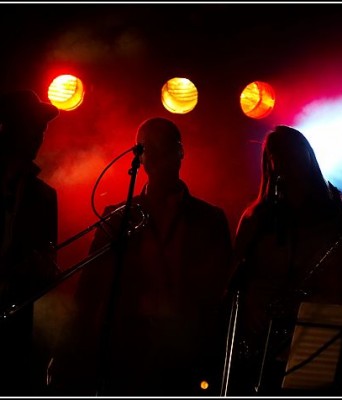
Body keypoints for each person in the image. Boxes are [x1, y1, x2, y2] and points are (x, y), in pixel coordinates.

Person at [49, 117, 234, 396]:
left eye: (164, 148)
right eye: (150, 149)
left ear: (180, 152)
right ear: (140, 156)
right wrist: (67, 350)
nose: (157, 156)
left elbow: (224, 291)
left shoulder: (210, 219)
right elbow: (89, 289)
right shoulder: (118, 216)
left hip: (187, 350)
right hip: (129, 348)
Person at [225, 125, 342, 396]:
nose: (285, 166)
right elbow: (235, 281)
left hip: (319, 342)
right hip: (264, 348)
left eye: (292, 157)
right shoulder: (257, 219)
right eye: (276, 158)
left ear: (307, 159)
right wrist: (250, 310)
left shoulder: (337, 219)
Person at [0, 89, 60, 395]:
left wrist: (44, 272)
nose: (40, 133)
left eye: (43, 126)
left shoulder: (45, 197)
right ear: (7, 126)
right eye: (33, 124)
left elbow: (48, 273)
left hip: (13, 342)